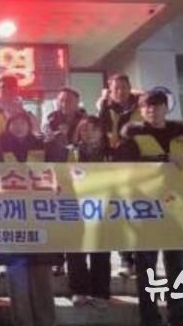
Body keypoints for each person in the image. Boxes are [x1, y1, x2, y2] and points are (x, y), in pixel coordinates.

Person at [117, 89, 183, 326]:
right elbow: (124, 164)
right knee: (146, 267)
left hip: (177, 209)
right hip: (145, 209)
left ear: (166, 108)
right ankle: (149, 317)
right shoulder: (133, 133)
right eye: (147, 106)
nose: (152, 110)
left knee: (177, 266)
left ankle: (178, 315)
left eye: (157, 105)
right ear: (141, 110)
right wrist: (162, 160)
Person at [0, 111, 60, 326]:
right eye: (14, 122)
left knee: (42, 277)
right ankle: (23, 322)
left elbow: (58, 169)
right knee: (17, 279)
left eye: (22, 122)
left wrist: (55, 143)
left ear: (29, 125)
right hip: (11, 218)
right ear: (8, 126)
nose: (18, 126)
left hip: (39, 218)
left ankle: (46, 321)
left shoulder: (43, 144)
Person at [97, 74, 142, 277]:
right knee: (118, 215)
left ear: (130, 88)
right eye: (116, 88)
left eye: (123, 87)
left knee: (137, 214)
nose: (120, 91)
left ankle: (140, 259)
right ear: (110, 91)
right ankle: (126, 259)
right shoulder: (105, 109)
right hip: (112, 168)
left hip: (138, 169)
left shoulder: (141, 106)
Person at [65, 116, 112, 309]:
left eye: (94, 129)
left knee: (101, 248)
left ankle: (100, 292)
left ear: (101, 132)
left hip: (104, 206)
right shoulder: (70, 152)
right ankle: (79, 289)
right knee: (76, 248)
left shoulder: (112, 153)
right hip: (76, 205)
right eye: (84, 129)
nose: (89, 133)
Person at [43, 86, 86, 276]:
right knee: (57, 222)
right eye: (61, 100)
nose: (64, 104)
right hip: (57, 181)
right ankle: (57, 260)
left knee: (77, 226)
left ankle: (77, 268)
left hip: (81, 180)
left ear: (77, 103)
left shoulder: (86, 121)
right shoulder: (49, 122)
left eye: (69, 100)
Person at [0, 73, 40, 138]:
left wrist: (21, 111)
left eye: (11, 87)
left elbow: (36, 130)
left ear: (17, 89)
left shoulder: (26, 111)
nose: (7, 90)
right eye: (3, 87)